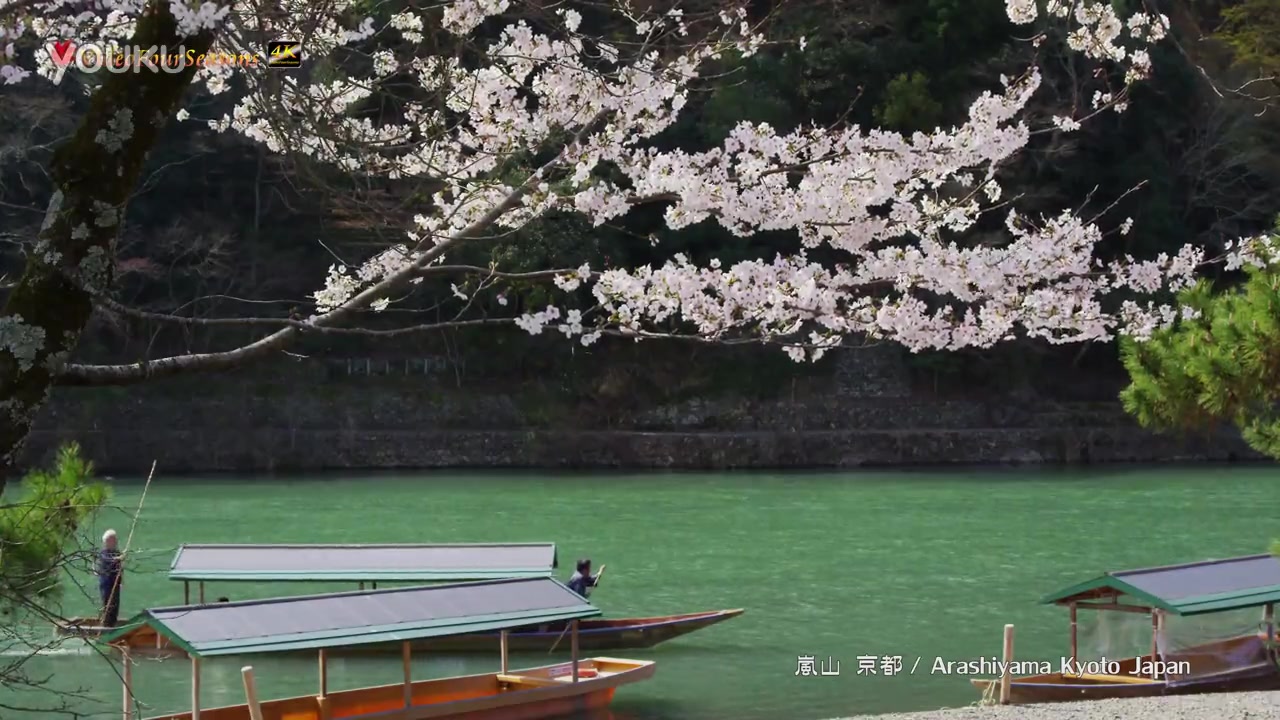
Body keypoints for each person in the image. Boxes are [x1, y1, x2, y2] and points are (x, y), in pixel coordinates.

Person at [97, 529, 123, 627]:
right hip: (106, 583)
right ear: (107, 541)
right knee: (108, 603)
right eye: (113, 539)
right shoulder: (103, 553)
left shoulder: (117, 552)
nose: (116, 541)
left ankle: (113, 623)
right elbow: (108, 560)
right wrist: (117, 559)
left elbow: (120, 567)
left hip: (116, 583)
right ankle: (106, 624)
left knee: (116, 604)